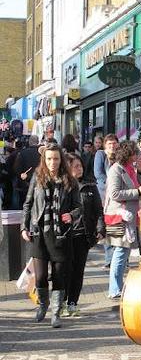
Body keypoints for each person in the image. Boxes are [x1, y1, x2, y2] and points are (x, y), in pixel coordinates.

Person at [20, 143, 81, 327]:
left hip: (61, 234)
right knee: (39, 277)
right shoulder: (37, 178)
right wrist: (24, 227)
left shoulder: (70, 181)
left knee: (59, 275)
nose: (52, 162)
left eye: (55, 158)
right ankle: (43, 305)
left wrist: (72, 215)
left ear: (61, 160)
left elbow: (79, 207)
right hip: (39, 233)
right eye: (49, 159)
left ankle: (56, 312)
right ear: (44, 160)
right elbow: (28, 204)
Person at [104, 141, 141, 299]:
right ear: (127, 154)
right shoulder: (115, 170)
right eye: (134, 153)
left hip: (129, 216)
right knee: (120, 251)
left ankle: (116, 286)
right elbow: (115, 194)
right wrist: (137, 191)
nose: (137, 156)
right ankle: (114, 288)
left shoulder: (130, 169)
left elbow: (138, 186)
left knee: (123, 252)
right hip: (121, 215)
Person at [64, 154, 105, 316]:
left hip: (84, 234)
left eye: (80, 165)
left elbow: (98, 209)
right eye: (75, 166)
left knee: (78, 270)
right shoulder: (63, 187)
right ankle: (62, 298)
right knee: (65, 269)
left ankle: (72, 302)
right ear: (67, 168)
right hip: (66, 234)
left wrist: (101, 228)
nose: (78, 168)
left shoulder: (90, 186)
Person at [94, 134, 119, 268]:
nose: (112, 146)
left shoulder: (120, 156)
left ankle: (121, 259)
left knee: (119, 227)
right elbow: (98, 174)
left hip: (119, 196)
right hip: (105, 195)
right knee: (108, 226)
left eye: (114, 143)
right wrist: (111, 185)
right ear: (105, 145)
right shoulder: (100, 155)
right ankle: (110, 260)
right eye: (109, 144)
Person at [13, 134, 41, 208]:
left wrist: (21, 176)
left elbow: (17, 168)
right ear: (38, 141)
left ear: (29, 142)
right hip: (39, 182)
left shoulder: (22, 153)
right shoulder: (42, 153)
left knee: (25, 205)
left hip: (25, 183)